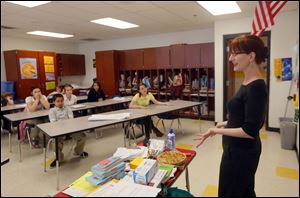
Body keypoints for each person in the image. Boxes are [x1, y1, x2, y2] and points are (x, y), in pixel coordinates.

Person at [194, 35, 268, 197]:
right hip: (234, 150)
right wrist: (223, 124)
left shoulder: (256, 86)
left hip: (242, 154)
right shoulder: (248, 82)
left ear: (251, 56)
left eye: (235, 54)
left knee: (234, 192)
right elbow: (242, 116)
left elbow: (250, 130)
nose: (230, 58)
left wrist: (216, 131)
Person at [48, 93, 88, 168]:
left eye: (62, 101)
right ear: (54, 102)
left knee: (82, 137)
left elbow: (71, 119)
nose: (60, 103)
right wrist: (63, 123)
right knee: (55, 142)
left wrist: (66, 124)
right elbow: (53, 123)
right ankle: (58, 159)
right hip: (58, 130)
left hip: (70, 128)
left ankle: (78, 151)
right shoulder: (52, 111)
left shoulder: (67, 108)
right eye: (58, 101)